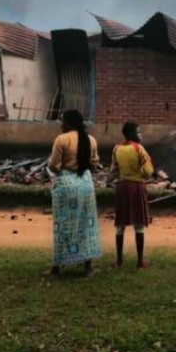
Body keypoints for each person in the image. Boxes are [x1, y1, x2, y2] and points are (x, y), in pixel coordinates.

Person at [47, 110, 102, 277]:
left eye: (62, 121)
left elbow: (53, 165)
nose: (60, 124)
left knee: (63, 226)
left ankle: (57, 267)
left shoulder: (61, 139)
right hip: (86, 184)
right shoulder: (90, 140)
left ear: (69, 123)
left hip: (67, 185)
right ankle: (88, 267)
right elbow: (94, 163)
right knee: (86, 224)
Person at [110, 122, 154, 269]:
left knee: (120, 224)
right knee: (139, 224)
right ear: (131, 134)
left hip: (122, 187)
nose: (140, 135)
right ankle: (140, 261)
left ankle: (119, 260)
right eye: (138, 132)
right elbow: (148, 171)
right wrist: (139, 173)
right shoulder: (139, 148)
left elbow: (113, 170)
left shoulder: (116, 149)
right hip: (137, 187)